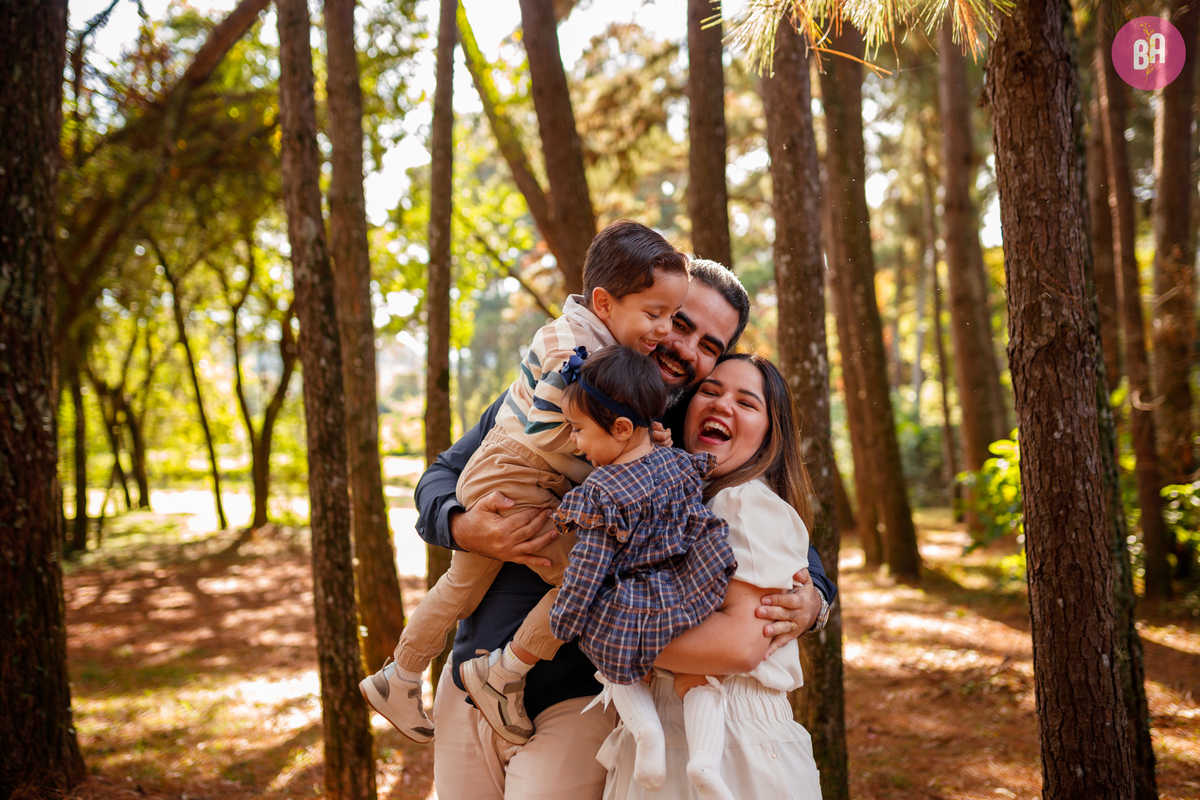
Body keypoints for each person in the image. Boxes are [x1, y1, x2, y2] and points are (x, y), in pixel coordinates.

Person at [414, 259, 836, 800]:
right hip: (474, 668)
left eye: (710, 345)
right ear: (653, 313)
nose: (686, 348)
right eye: (680, 324)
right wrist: (464, 526)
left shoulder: (687, 437)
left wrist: (815, 596)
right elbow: (441, 475)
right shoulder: (563, 384)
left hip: (581, 694)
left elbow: (775, 528)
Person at [361, 220, 689, 745]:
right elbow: (548, 428)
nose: (666, 331)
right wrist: (637, 445)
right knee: (584, 578)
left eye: (673, 316)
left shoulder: (598, 344)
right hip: (518, 473)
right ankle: (502, 673)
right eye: (655, 314)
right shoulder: (572, 347)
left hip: (512, 473)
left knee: (460, 585)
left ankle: (398, 676)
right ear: (604, 303)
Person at [599, 353, 822, 800]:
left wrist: (602, 631)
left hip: (733, 743)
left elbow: (738, 646)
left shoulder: (742, 503)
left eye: (747, 402)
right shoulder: (675, 502)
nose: (722, 406)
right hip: (663, 734)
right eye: (711, 391)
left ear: (769, 436)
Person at [546, 345, 737, 798]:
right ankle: (706, 762)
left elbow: (588, 567)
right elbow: (704, 468)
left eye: (578, 430)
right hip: (693, 584)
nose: (574, 442)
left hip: (636, 602)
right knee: (699, 676)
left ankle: (646, 733)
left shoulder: (601, 491)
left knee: (605, 651)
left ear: (621, 429)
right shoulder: (676, 461)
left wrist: (566, 619)